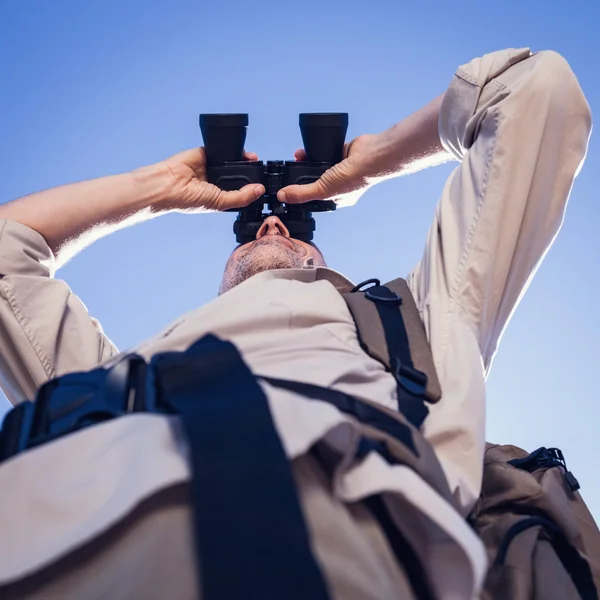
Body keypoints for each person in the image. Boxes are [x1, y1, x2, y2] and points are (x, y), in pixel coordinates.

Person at [0, 47, 591, 599]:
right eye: (257, 227)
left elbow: (534, 90)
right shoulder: (120, 379)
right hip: (58, 542)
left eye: (294, 229)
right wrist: (159, 190)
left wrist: (371, 162)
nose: (273, 224)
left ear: (322, 261)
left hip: (330, 547)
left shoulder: (417, 327)